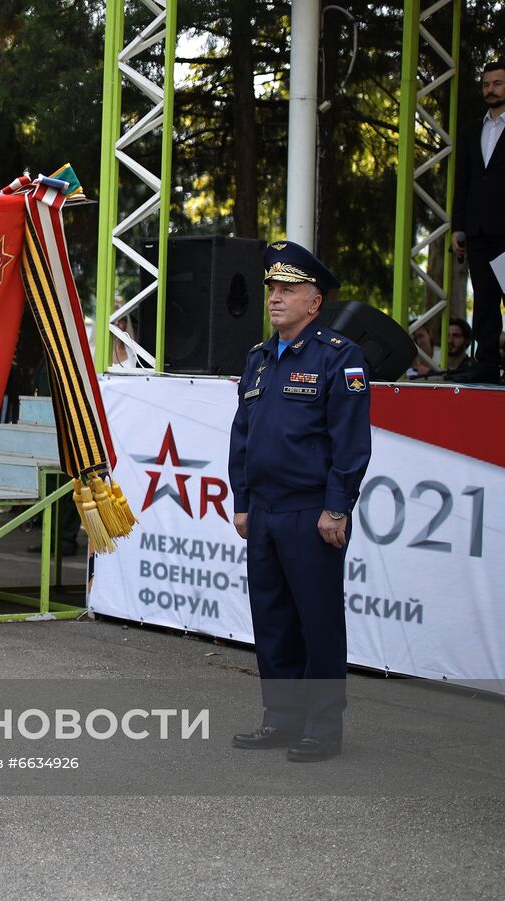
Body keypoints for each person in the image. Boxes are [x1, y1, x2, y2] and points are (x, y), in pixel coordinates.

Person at [228, 240, 372, 763]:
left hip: (311, 513)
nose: (275, 298)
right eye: (272, 289)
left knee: (318, 621)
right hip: (264, 512)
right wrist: (242, 501)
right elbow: (242, 436)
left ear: (314, 302)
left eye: (288, 290)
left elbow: (351, 442)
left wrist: (337, 507)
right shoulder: (260, 359)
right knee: (272, 619)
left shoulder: (339, 356)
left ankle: (322, 726)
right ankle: (282, 719)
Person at [449, 60, 505, 385]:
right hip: (478, 231)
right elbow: (464, 182)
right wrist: (459, 226)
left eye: (497, 83)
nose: (490, 90)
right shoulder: (473, 130)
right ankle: (484, 364)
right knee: (484, 299)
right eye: (486, 84)